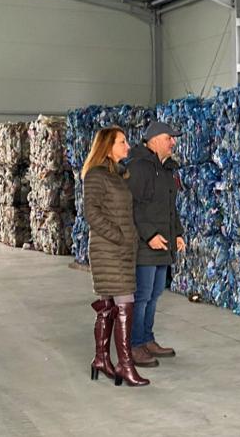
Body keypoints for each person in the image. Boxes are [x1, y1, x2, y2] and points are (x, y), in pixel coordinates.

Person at [82, 126, 149, 387]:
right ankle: (125, 364)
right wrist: (120, 236)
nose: (128, 146)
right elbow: (92, 213)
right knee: (124, 303)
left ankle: (101, 359)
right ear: (107, 147)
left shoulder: (116, 175)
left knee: (108, 305)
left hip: (120, 249)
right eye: (122, 142)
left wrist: (128, 239)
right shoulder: (96, 175)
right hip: (108, 249)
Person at [126, 121, 186, 367]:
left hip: (164, 243)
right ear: (153, 140)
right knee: (142, 296)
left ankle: (147, 339)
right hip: (145, 244)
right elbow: (133, 206)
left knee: (155, 294)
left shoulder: (167, 170)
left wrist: (177, 233)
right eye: (168, 138)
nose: (173, 142)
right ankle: (134, 345)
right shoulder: (139, 167)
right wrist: (149, 235)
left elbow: (170, 207)